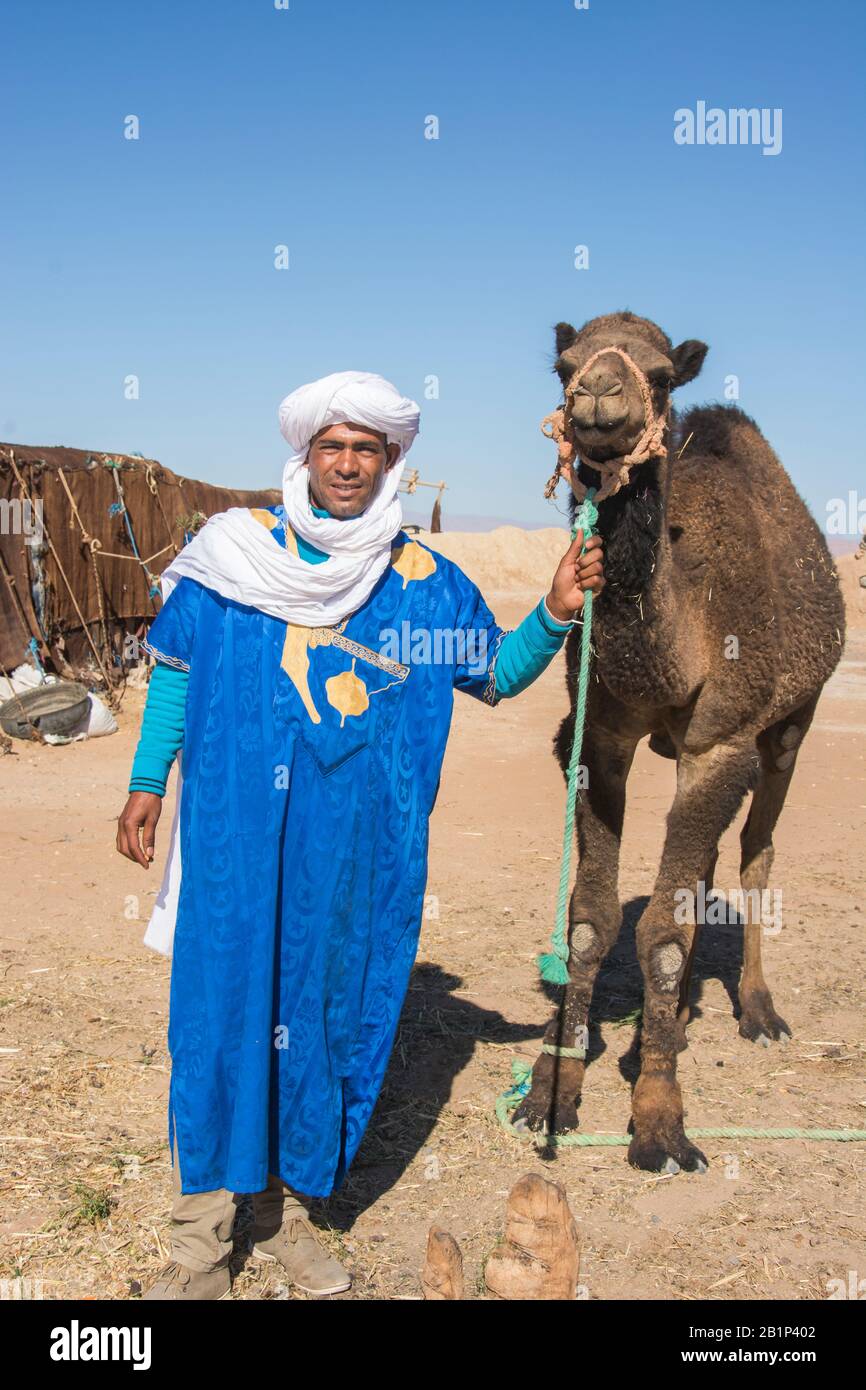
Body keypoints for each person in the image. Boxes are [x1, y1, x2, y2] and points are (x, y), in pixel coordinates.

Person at [116, 371, 605, 1300]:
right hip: (233, 839)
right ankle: (199, 1241)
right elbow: (178, 670)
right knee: (221, 1012)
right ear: (305, 455)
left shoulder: (417, 581)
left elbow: (494, 676)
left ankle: (285, 1215)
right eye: (332, 446)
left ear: (392, 464)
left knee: (321, 1016)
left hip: (349, 858)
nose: (348, 463)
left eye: (366, 450)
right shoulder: (233, 551)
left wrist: (552, 612)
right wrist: (147, 780)